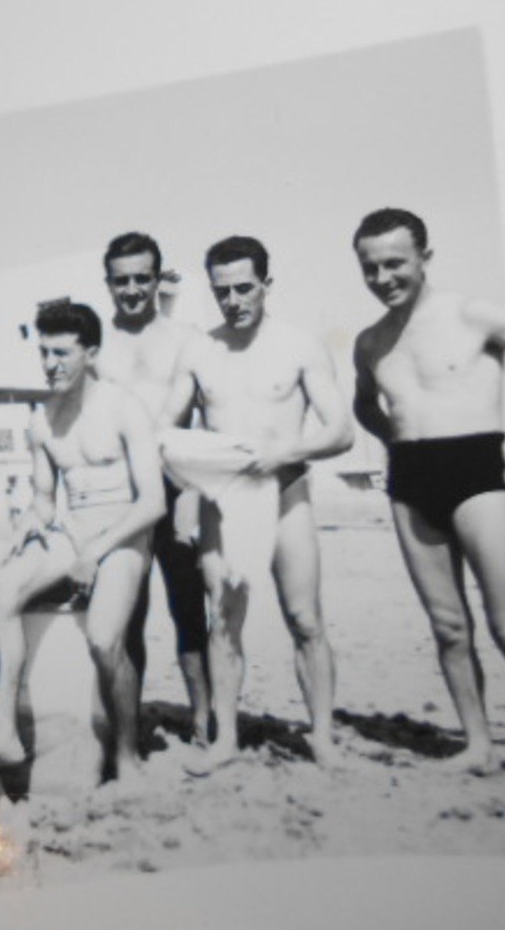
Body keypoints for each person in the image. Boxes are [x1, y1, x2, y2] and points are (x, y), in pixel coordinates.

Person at [351, 208, 505, 786]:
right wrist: (391, 439)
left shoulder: (471, 312)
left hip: (478, 467)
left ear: (425, 259)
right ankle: (478, 744)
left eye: (395, 264)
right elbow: (365, 402)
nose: (384, 277)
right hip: (411, 478)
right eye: (370, 268)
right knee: (447, 625)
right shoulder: (370, 341)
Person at [161, 235, 353, 771]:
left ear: (267, 285)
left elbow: (341, 431)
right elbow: (166, 431)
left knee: (305, 617)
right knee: (223, 618)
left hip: (286, 489)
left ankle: (323, 737)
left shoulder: (299, 345)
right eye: (223, 291)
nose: (234, 300)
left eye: (245, 288)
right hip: (223, 498)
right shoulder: (199, 350)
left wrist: (283, 452)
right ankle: (225, 740)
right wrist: (189, 488)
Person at [0, 302, 164, 783]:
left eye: (62, 353)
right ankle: (6, 728)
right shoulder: (43, 420)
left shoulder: (124, 407)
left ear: (90, 353)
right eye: (44, 353)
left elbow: (153, 502)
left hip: (125, 534)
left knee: (103, 639)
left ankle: (127, 754)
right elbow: (46, 500)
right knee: (1, 589)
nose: (50, 364)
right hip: (72, 533)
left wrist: (95, 553)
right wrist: (31, 522)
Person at [95, 232, 212, 743]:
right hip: (121, 496)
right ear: (108, 284)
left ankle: (206, 720)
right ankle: (128, 728)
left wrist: (192, 494)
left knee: (189, 611)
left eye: (143, 278)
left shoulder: (186, 339)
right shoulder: (98, 344)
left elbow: (199, 420)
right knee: (128, 616)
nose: (133, 289)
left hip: (177, 486)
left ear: (157, 278)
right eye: (122, 280)